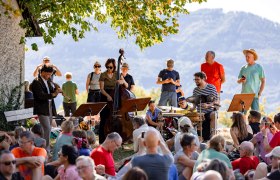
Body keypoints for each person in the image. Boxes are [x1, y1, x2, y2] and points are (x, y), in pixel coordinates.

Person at [31, 64, 62, 149]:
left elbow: (51, 93)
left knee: (47, 128)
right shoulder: (36, 82)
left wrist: (57, 89)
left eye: (51, 74)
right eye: (48, 74)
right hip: (42, 107)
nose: (49, 76)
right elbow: (41, 95)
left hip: (49, 107)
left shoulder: (48, 81)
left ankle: (42, 146)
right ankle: (45, 148)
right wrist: (54, 93)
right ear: (43, 72)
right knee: (47, 128)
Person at [99, 58, 127, 144]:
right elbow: (101, 89)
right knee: (104, 118)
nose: (109, 69)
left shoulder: (117, 74)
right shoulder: (103, 75)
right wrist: (108, 96)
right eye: (107, 67)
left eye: (110, 67)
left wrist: (121, 81)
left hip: (116, 96)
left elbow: (126, 85)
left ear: (114, 66)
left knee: (117, 118)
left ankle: (118, 139)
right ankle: (102, 140)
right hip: (105, 96)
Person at [191, 72, 218, 141]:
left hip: (209, 112)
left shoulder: (211, 87)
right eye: (195, 80)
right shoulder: (195, 90)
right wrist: (189, 109)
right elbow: (194, 105)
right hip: (199, 113)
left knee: (214, 114)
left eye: (197, 79)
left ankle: (212, 137)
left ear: (203, 79)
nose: (196, 81)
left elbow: (216, 102)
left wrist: (208, 105)